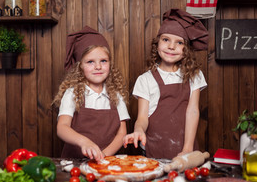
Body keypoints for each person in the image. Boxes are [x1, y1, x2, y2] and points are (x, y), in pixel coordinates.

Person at [123, 9, 208, 159]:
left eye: (179, 42)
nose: (171, 46)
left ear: (186, 49)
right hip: (154, 151)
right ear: (157, 44)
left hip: (186, 150)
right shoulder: (145, 80)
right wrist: (138, 130)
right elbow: (142, 117)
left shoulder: (195, 75)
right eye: (166, 39)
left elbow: (193, 111)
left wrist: (187, 148)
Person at [53, 26, 130, 162]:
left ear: (110, 64)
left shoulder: (116, 95)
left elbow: (122, 132)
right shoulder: (72, 93)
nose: (98, 67)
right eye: (90, 62)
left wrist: (104, 155)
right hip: (74, 162)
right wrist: (84, 142)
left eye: (103, 61)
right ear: (80, 66)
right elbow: (62, 127)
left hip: (107, 161)